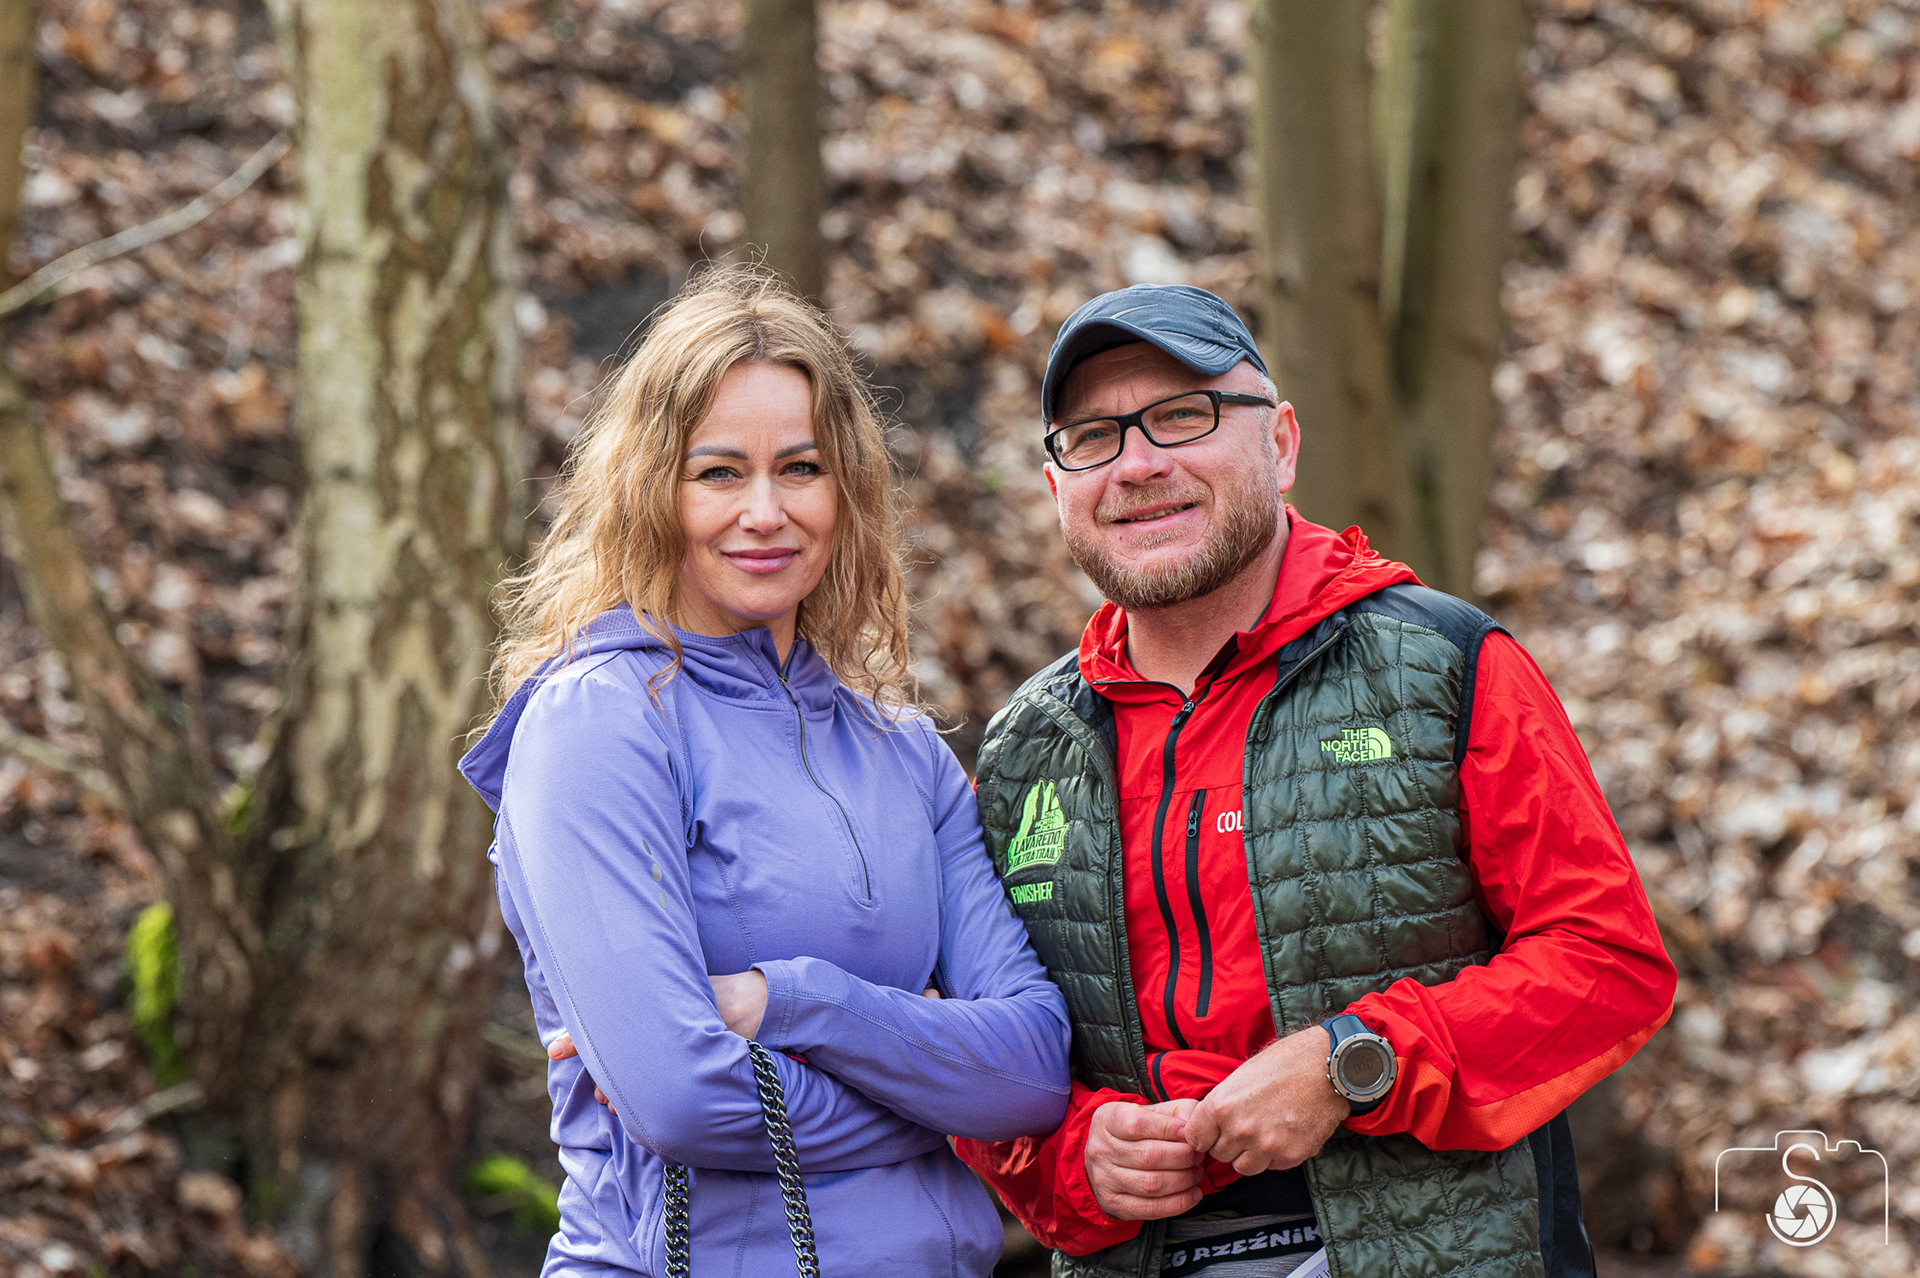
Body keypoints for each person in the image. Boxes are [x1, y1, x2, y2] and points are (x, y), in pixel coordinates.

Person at [953, 284, 1677, 1278]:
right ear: (1055, 487)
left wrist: (1352, 1062)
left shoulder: (1444, 667)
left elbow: (1608, 966)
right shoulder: (1023, 751)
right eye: (1093, 437)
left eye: (1183, 416)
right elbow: (971, 1060)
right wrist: (1070, 1160)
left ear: (1281, 444)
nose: (1138, 464)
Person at [457, 267, 1071, 1276]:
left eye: (799, 468)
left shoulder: (903, 751)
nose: (765, 511)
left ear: (845, 487)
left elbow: (1036, 1070)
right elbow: (681, 1099)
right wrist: (939, 1101)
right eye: (718, 473)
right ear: (652, 489)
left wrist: (795, 1002)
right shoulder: (598, 723)